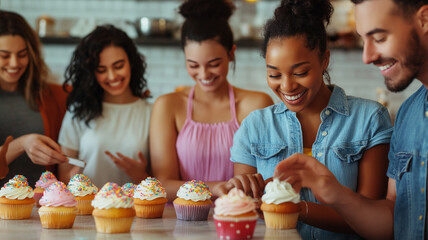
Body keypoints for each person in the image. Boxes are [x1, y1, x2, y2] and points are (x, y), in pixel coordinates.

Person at [218, 0, 394, 239]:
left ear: (324, 60)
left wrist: (297, 209)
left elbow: (371, 218)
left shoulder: (370, 119)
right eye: (274, 74)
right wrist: (243, 190)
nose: (287, 86)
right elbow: (248, 211)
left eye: (300, 72)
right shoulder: (254, 127)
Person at [273, 0, 428, 239]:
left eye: (379, 38)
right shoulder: (409, 113)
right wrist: (336, 194)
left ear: (424, 20)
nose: (367, 56)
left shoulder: (376, 117)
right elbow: (391, 224)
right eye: (363, 39)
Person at [149, 0, 273, 202]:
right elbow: (163, 184)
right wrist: (216, 188)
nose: (204, 74)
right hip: (182, 220)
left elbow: (268, 176)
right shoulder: (168, 106)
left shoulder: (257, 104)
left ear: (231, 53)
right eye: (193, 65)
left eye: (214, 64)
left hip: (241, 216)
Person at [57, 25, 151, 187]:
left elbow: (161, 182)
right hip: (87, 210)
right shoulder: (78, 111)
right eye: (101, 69)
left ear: (132, 63)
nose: (112, 76)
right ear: (91, 73)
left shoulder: (152, 113)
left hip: (134, 210)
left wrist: (140, 175)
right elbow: (64, 176)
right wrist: (76, 173)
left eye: (118, 66)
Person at [0, 10, 69, 187]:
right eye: (4, 56)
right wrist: (22, 144)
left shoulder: (54, 96)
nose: (15, 63)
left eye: (22, 54)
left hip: (45, 209)